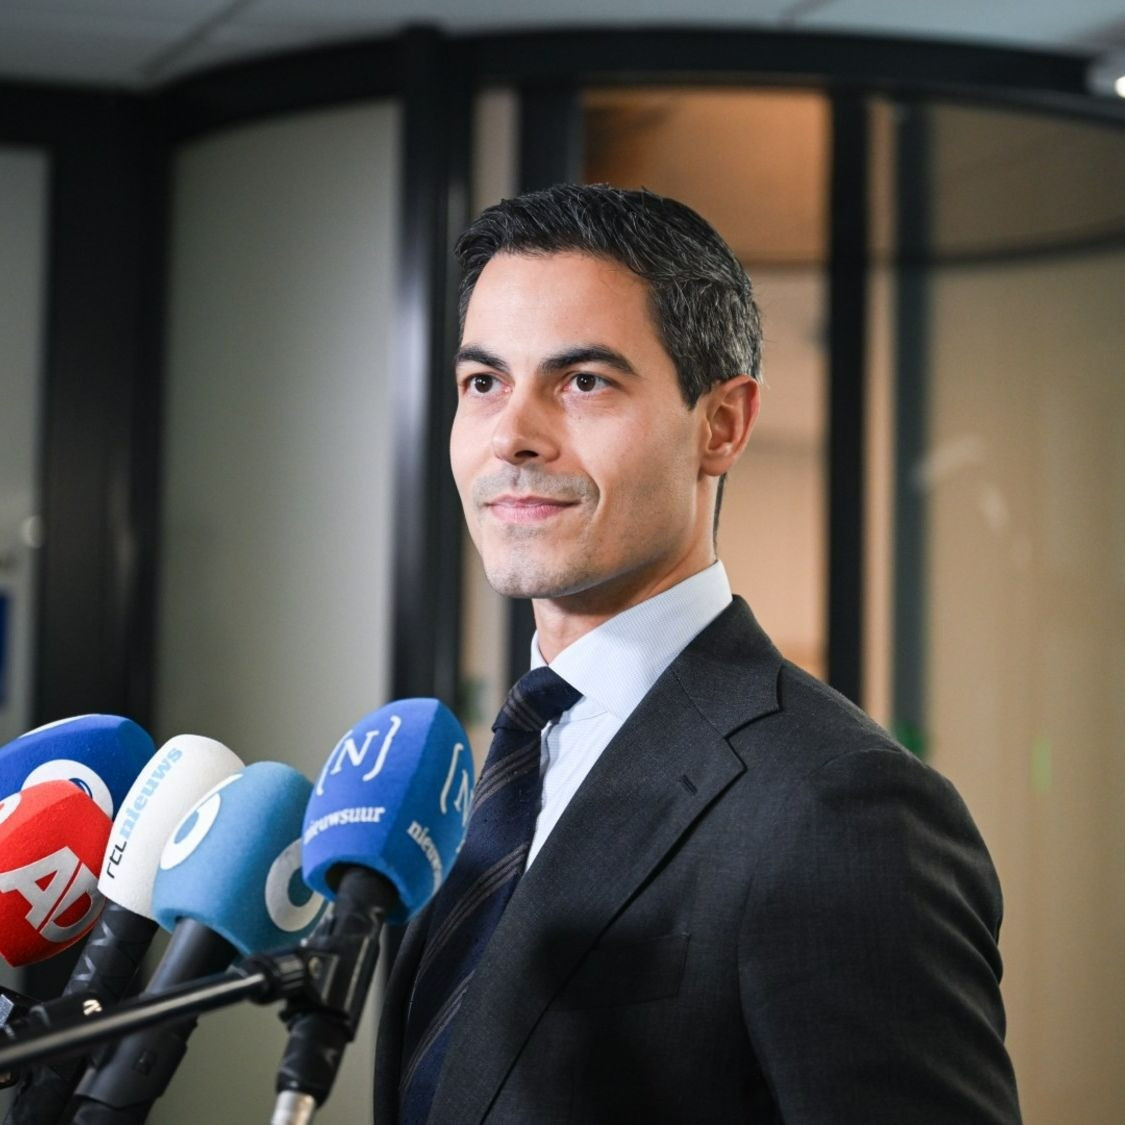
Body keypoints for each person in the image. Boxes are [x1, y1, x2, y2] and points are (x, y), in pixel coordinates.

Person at [374, 183, 1020, 1124]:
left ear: (721, 424)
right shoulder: (499, 765)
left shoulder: (840, 806)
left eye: (582, 382)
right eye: (484, 383)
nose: (511, 434)